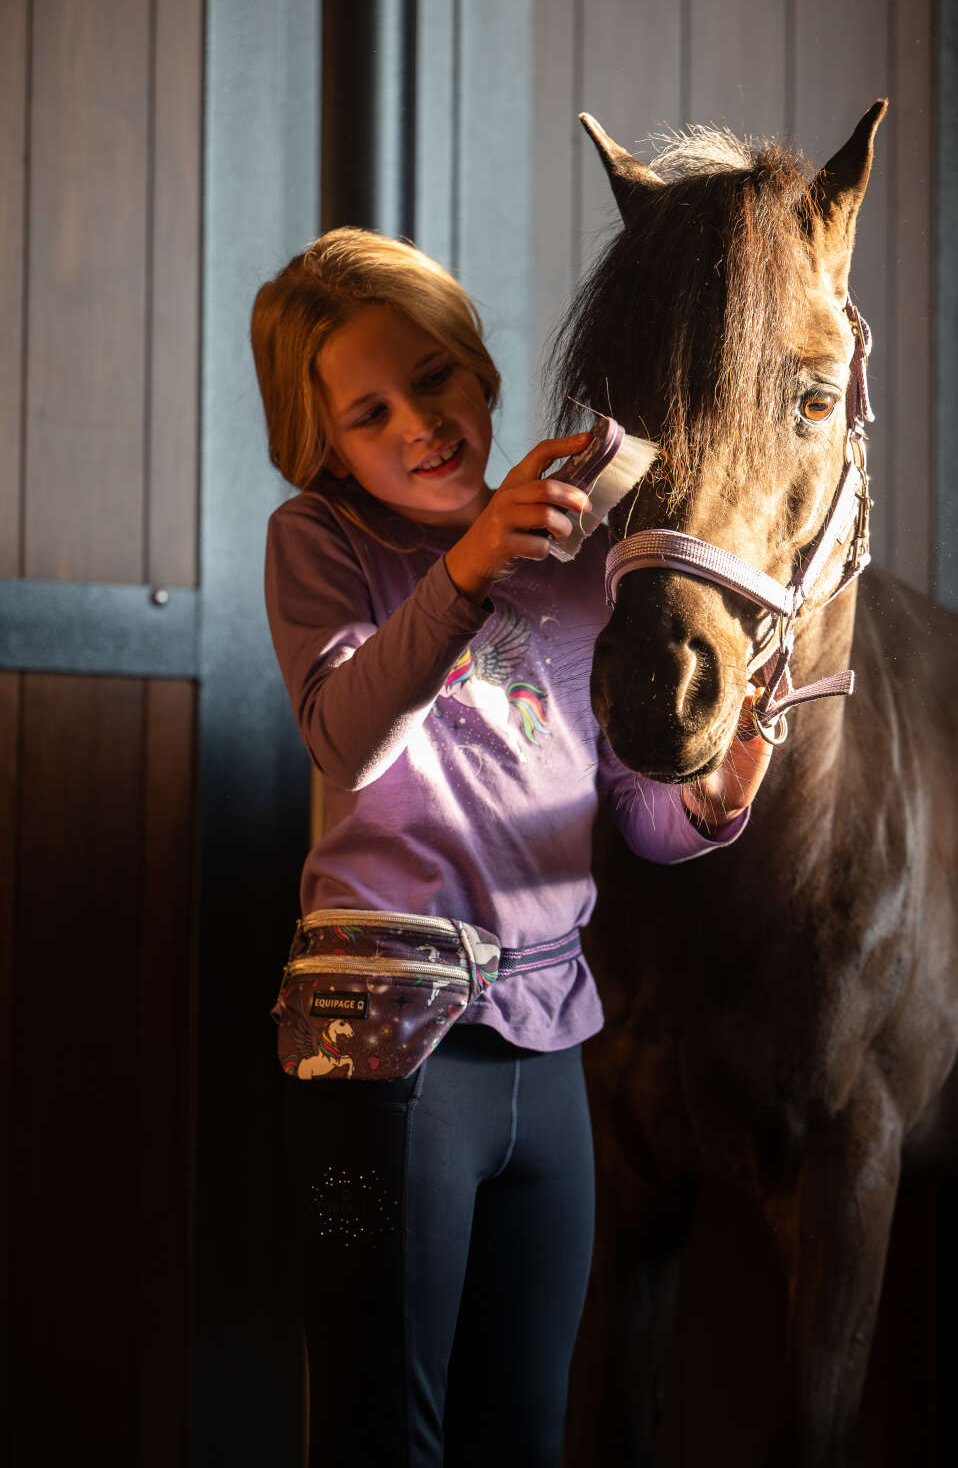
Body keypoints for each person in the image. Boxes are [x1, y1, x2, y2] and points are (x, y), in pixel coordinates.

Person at [251, 226, 772, 1468]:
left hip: (547, 1048)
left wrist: (710, 793)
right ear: (324, 446)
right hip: (370, 1063)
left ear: (481, 377)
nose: (419, 423)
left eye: (434, 378)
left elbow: (625, 817)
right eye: (370, 413)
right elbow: (345, 737)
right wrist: (471, 568)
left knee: (522, 1430)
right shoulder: (321, 545)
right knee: (383, 1427)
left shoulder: (577, 560)